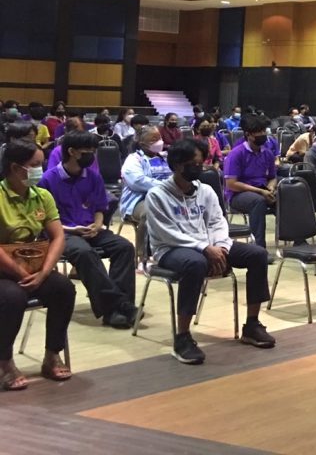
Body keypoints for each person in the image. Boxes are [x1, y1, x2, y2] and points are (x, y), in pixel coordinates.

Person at [147, 139, 275, 364]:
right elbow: (167, 233)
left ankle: (252, 325)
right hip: (171, 249)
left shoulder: (205, 191)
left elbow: (217, 222)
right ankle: (182, 337)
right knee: (195, 263)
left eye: (201, 163)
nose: (200, 168)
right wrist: (205, 248)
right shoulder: (157, 195)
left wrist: (221, 247)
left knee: (257, 255)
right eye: (194, 164)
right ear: (178, 165)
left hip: (209, 245)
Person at [39, 130, 138, 328]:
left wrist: (98, 225)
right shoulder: (48, 180)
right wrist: (72, 229)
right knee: (84, 252)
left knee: (124, 247)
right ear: (72, 151)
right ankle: (120, 306)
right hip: (62, 232)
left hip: (91, 229)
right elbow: (45, 220)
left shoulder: (93, 177)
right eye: (88, 151)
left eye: (93, 151)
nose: (92, 155)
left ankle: (114, 311)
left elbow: (100, 207)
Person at [0, 138, 75, 389]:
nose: (40, 171)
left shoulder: (42, 196)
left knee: (63, 288)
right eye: (34, 165)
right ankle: (4, 362)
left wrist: (44, 273)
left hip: (34, 267)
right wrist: (21, 273)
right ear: (15, 167)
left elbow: (58, 236)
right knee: (12, 297)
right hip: (4, 271)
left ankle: (52, 354)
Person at [223, 114, 278, 249]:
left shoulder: (267, 153)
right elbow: (231, 184)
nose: (263, 134)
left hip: (262, 190)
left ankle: (298, 239)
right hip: (238, 195)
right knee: (257, 201)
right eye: (259, 132)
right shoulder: (236, 153)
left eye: (264, 131)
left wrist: (271, 188)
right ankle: (259, 248)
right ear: (248, 134)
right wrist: (260, 192)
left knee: (287, 196)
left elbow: (272, 177)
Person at [120, 125, 172, 253]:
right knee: (151, 212)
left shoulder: (165, 157)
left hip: (167, 196)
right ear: (142, 143)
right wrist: (166, 186)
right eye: (154, 140)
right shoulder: (134, 159)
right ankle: (143, 254)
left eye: (159, 138)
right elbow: (137, 181)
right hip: (139, 200)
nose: (159, 142)